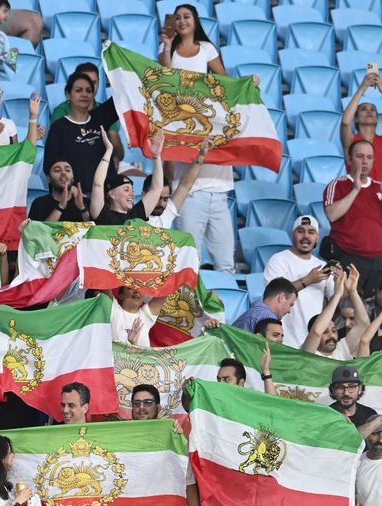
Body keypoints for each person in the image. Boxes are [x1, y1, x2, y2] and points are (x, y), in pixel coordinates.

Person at [159, 4, 234, 273]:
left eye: (186, 16)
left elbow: (226, 84)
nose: (181, 21)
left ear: (195, 21)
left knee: (226, 264)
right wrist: (167, 45)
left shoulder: (207, 49)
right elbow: (165, 81)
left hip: (219, 190)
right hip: (188, 190)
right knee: (190, 263)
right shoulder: (166, 50)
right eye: (177, 17)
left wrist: (250, 85)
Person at [323, 139, 382, 296]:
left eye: (369, 157)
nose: (365, 161)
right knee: (347, 307)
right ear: (349, 159)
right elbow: (332, 214)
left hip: (380, 261)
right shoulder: (337, 184)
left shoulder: (380, 187)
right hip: (349, 258)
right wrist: (355, 190)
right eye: (360, 156)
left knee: (380, 307)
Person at [264, 215, 335, 347]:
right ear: (293, 234)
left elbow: (336, 300)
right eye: (300, 231)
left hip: (312, 342)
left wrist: (345, 287)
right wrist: (308, 280)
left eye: (311, 232)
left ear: (317, 237)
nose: (306, 236)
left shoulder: (321, 265)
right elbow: (274, 295)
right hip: (284, 340)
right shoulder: (278, 260)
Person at [44, 71, 119, 195]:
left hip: (106, 194)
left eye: (88, 91)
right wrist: (70, 188)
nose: (84, 94)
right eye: (78, 90)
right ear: (68, 94)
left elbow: (123, 95)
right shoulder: (59, 127)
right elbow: (49, 164)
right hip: (76, 196)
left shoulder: (101, 117)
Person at [90, 129, 163, 225]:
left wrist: (156, 156)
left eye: (132, 190)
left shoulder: (137, 215)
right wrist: (109, 150)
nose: (132, 194)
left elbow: (157, 189)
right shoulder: (103, 215)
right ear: (111, 194)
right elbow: (98, 184)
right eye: (126, 189)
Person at [341, 73, 382, 182]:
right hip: (358, 191)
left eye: (373, 110)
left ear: (377, 119)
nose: (369, 111)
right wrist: (362, 88)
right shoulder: (350, 141)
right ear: (356, 118)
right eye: (364, 109)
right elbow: (345, 123)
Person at [28, 157, 91, 222]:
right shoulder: (39, 203)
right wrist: (60, 206)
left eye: (67, 170)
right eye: (57, 170)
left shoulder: (86, 202)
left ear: (73, 178)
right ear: (48, 178)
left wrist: (82, 208)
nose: (63, 173)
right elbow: (38, 228)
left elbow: (92, 227)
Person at [232, 277, 297, 333]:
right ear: (281, 298)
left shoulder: (254, 311)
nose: (289, 311)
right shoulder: (268, 318)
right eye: (290, 304)